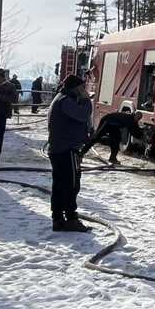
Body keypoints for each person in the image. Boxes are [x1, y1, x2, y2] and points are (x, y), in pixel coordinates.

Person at [47, 74, 93, 232]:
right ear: (76, 87)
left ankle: (58, 219)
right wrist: (87, 100)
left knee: (60, 185)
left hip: (60, 148)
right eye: (82, 87)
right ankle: (71, 218)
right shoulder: (65, 101)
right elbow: (83, 115)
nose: (84, 90)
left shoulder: (62, 99)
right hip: (66, 150)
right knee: (70, 185)